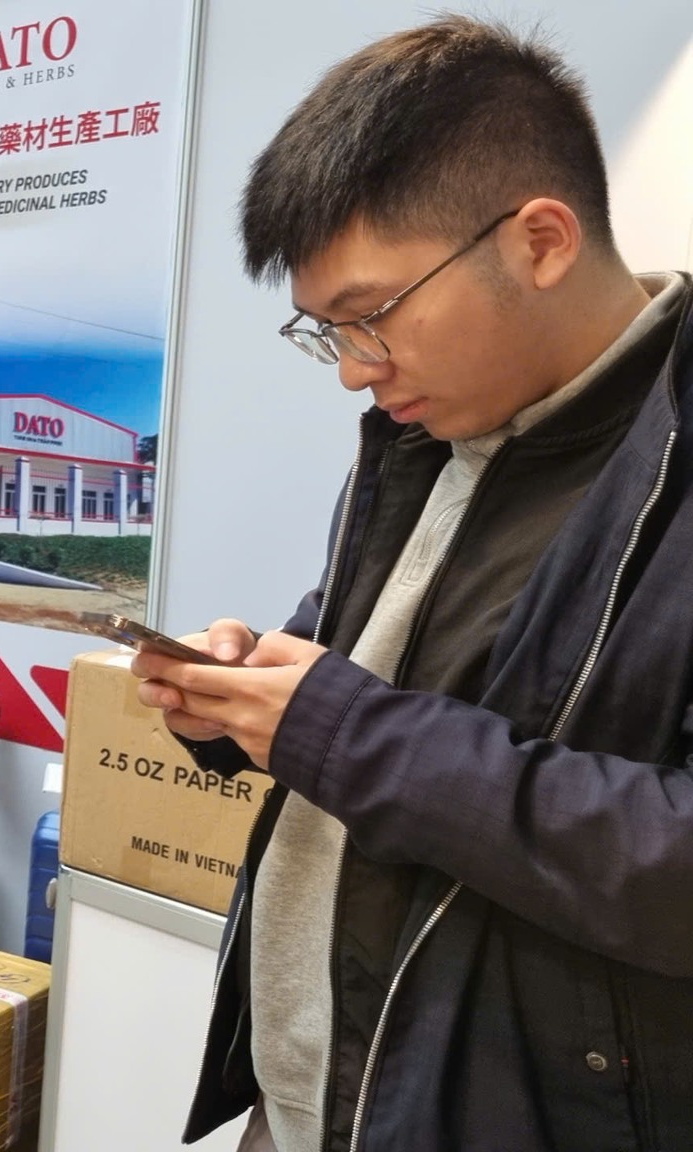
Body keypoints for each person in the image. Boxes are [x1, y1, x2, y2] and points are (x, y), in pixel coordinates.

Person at [130, 19, 693, 1152]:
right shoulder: (426, 433)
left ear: (539, 241)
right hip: (310, 1101)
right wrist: (242, 693)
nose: (353, 369)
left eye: (373, 315)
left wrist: (346, 733)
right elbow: (359, 668)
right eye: (326, 331)